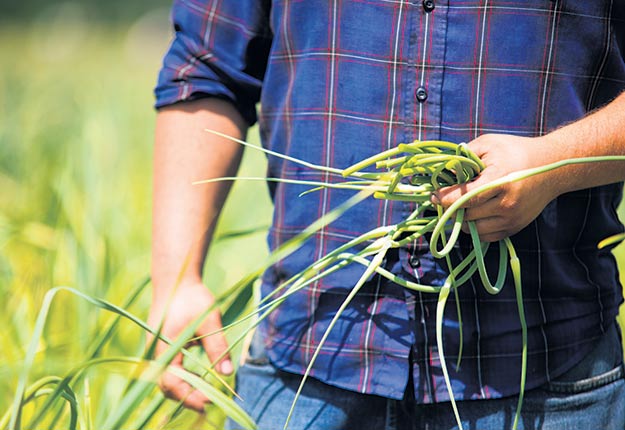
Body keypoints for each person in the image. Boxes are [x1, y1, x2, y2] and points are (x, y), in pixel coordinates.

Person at [150, 1, 625, 428]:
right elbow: (206, 65)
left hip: (549, 365)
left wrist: (555, 164)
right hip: (304, 357)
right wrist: (177, 278)